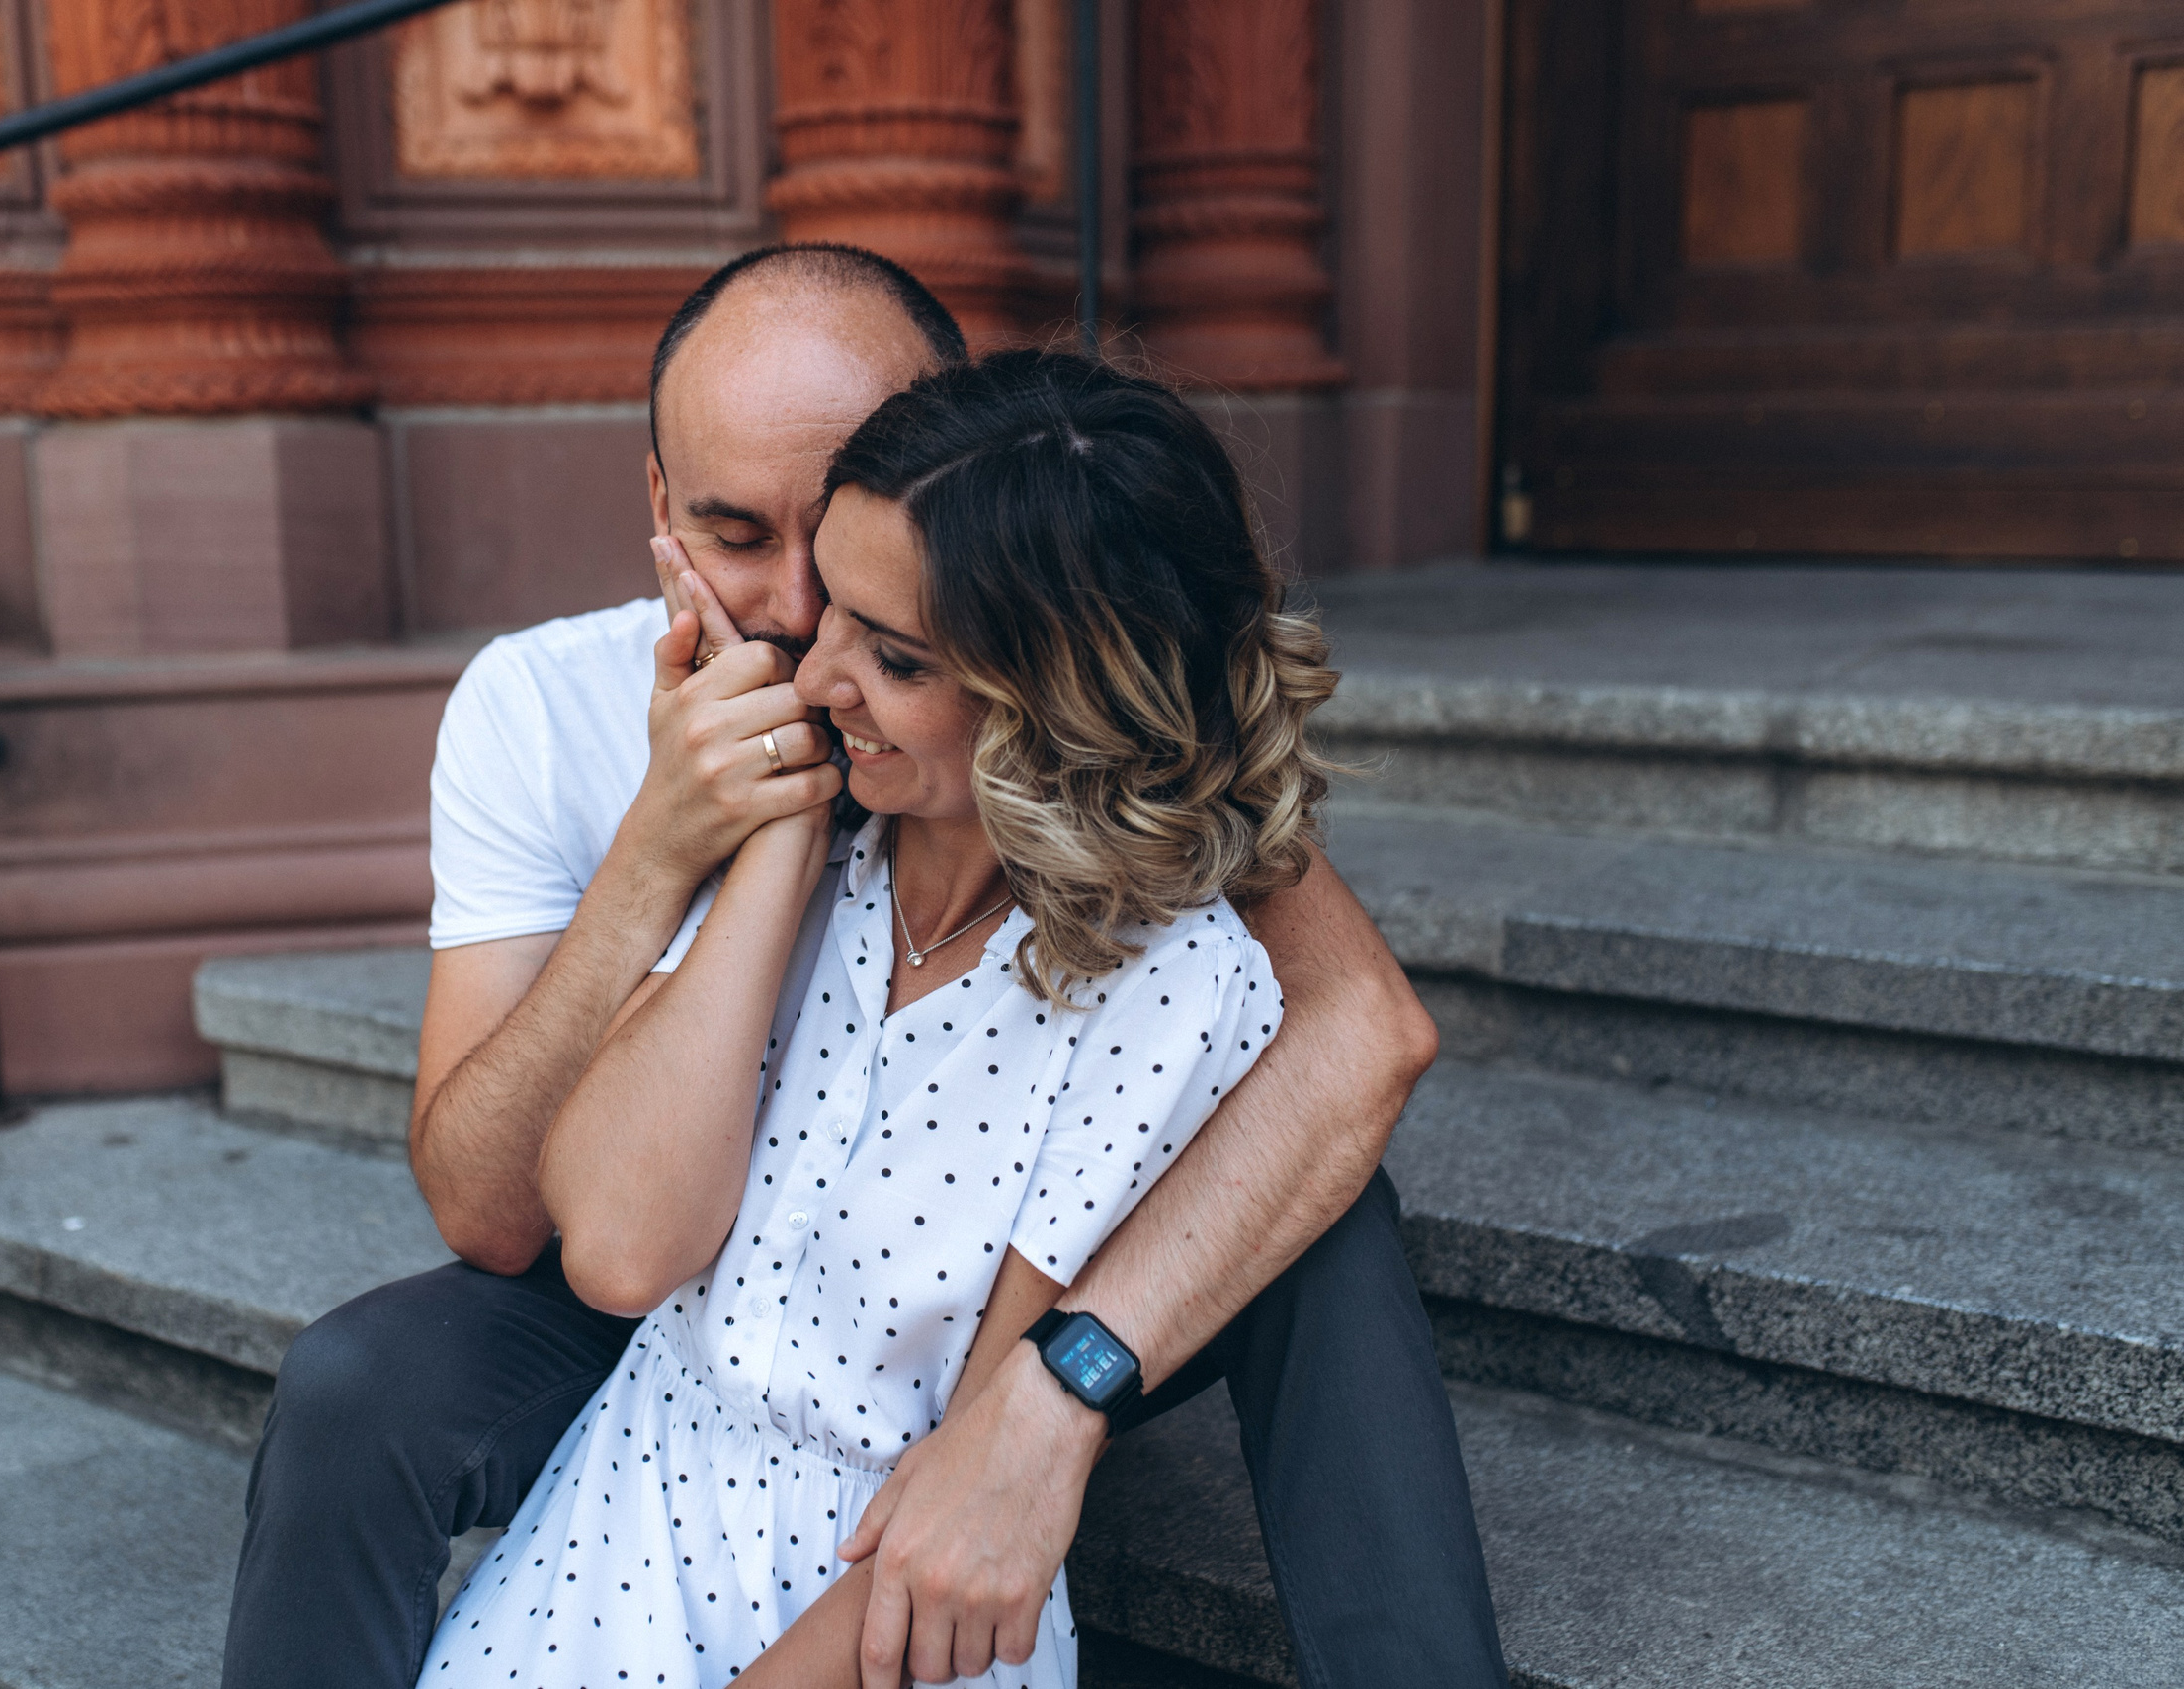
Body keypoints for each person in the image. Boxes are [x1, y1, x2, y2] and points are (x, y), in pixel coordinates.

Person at [220, 245, 1506, 1689]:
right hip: (669, 1343)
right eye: (733, 534)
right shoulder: (558, 704)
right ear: (658, 506)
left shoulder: (1031, 680)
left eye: (836, 554)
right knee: (356, 1385)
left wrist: (1049, 1398)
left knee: (1320, 1196)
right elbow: (508, 1214)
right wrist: (672, 844)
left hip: (936, 1371)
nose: (790, 620)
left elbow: (1362, 1025)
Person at [418, 345, 1318, 1689]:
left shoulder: (1176, 987)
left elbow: (974, 1471)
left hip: (882, 1604)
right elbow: (616, 1246)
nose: (816, 667)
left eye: (891, 655)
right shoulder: (827, 844)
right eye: (831, 607)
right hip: (615, 1535)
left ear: (1052, 708)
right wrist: (775, 844)